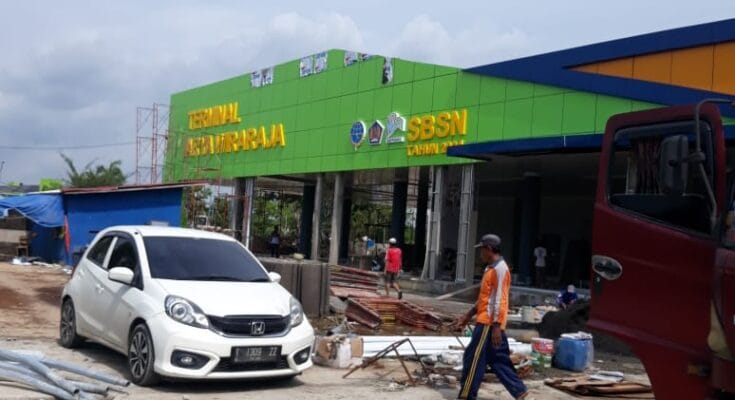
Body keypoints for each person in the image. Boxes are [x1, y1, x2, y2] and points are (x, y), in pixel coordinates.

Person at [455, 234, 528, 400]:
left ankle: (467, 395)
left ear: (489, 249)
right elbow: (485, 298)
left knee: (473, 359)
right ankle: (519, 390)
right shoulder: (490, 268)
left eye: (482, 249)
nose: (480, 253)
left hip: (488, 323)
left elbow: (500, 299)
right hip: (487, 320)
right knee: (498, 359)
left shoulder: (500, 269)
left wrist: (496, 326)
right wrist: (468, 315)